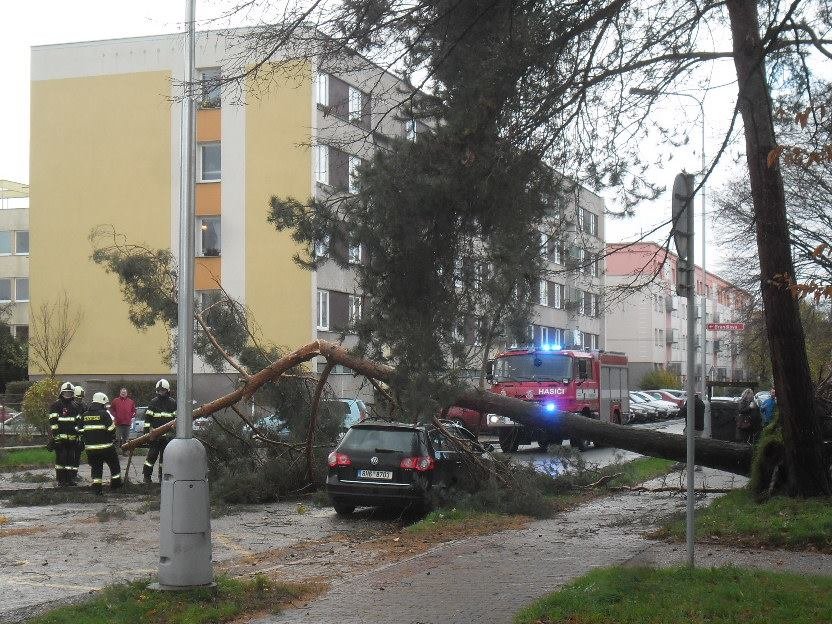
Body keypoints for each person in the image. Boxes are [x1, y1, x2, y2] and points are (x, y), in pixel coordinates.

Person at [80, 392, 122, 495]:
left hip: (91, 449)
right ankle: (116, 487)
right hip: (106, 447)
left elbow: (80, 431)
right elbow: (112, 430)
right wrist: (113, 438)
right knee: (114, 466)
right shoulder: (104, 414)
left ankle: (97, 490)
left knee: (96, 469)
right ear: (101, 403)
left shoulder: (85, 415)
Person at [48, 382, 83, 486]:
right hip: (60, 440)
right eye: (66, 392)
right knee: (61, 460)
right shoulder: (56, 405)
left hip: (72, 440)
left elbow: (78, 423)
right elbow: (53, 424)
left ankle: (70, 479)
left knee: (70, 460)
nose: (67, 394)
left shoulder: (75, 407)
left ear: (72, 393)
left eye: (70, 392)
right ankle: (61, 480)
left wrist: (79, 437)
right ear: (61, 393)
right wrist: (56, 438)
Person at [143, 379, 176, 484]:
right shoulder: (153, 402)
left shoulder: (172, 403)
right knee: (151, 457)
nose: (161, 392)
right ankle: (147, 477)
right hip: (155, 437)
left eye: (163, 390)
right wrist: (146, 434)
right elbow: (147, 420)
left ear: (167, 390)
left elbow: (177, 419)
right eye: (159, 390)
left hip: (168, 437)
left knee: (165, 459)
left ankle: (162, 479)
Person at [110, 387, 136, 454]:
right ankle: (116, 453)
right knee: (117, 439)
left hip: (127, 423)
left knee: (126, 439)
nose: (123, 394)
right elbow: (111, 409)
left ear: (126, 393)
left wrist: (130, 416)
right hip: (118, 423)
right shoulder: (115, 401)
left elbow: (134, 411)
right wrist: (116, 416)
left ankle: (125, 452)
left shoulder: (131, 402)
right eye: (122, 392)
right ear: (120, 393)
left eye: (124, 392)